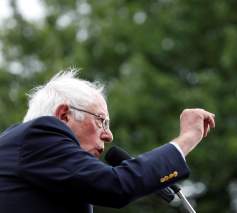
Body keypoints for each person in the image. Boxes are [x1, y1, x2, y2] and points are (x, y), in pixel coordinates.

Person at [0, 69, 215, 213]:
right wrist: (188, 138)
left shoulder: (31, 155)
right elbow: (117, 185)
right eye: (101, 121)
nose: (109, 135)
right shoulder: (39, 135)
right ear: (64, 115)